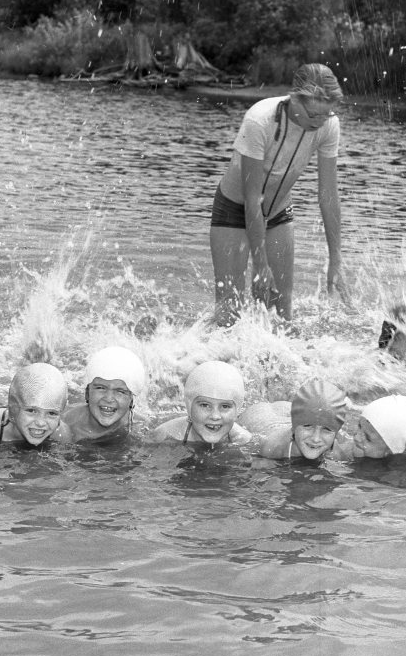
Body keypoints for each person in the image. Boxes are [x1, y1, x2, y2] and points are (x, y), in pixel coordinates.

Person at [209, 63, 348, 325]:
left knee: (281, 316)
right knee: (229, 314)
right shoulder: (259, 120)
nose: (319, 122)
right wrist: (260, 263)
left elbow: (328, 194)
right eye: (313, 114)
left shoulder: (329, 124)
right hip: (234, 210)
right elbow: (252, 199)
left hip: (278, 212)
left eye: (326, 114)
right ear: (294, 99)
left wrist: (336, 260)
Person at [148, 360, 253, 448]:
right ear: (189, 407)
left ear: (236, 411)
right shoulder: (165, 436)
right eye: (205, 405)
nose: (215, 416)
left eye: (225, 406)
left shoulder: (244, 441)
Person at [251, 378, 351, 463]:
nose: (315, 439)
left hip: (287, 411)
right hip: (258, 415)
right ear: (293, 427)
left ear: (336, 434)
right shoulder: (271, 450)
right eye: (308, 426)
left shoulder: (340, 454)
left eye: (327, 429)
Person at [64, 346, 146, 442]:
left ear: (131, 401)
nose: (109, 399)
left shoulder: (141, 427)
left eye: (120, 391)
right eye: (101, 388)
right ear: (87, 394)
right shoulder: (66, 424)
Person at [0, 362, 73, 448]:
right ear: (13, 411)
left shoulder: (62, 434)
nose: (40, 423)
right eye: (32, 411)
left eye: (51, 413)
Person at [349, 394, 406, 461]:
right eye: (359, 426)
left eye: (367, 438)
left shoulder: (396, 470)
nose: (356, 437)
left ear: (390, 450)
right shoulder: (347, 448)